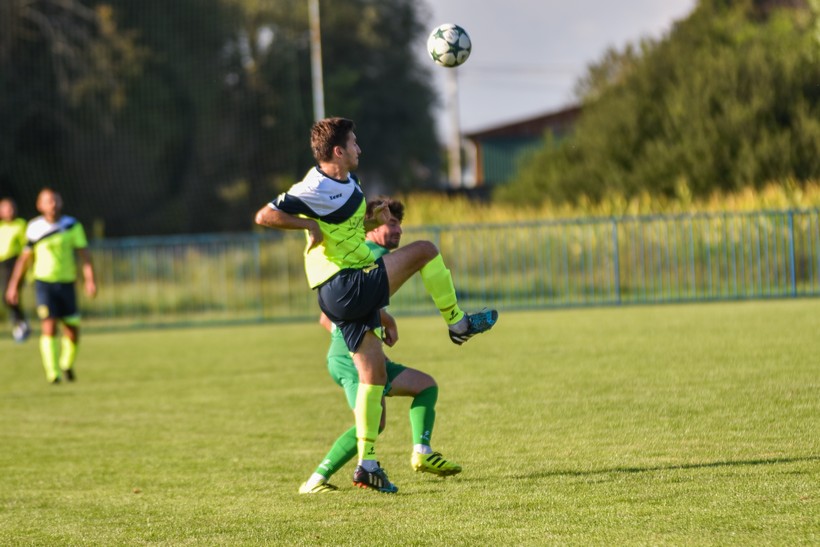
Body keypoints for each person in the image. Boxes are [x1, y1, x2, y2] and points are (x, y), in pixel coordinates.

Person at [255, 117, 497, 494]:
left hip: (343, 291)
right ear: (337, 151)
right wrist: (307, 226)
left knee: (374, 377)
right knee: (426, 251)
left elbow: (345, 225)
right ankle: (457, 323)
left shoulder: (347, 183)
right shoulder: (315, 185)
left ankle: (367, 465)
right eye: (353, 143)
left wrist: (371, 216)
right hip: (343, 284)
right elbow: (265, 215)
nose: (359, 148)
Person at [299, 197, 462, 494]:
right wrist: (364, 331)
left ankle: (422, 451)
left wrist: (381, 320)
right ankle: (316, 480)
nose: (397, 229)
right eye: (391, 221)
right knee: (375, 424)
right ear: (371, 227)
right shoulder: (367, 254)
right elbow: (327, 316)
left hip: (367, 353)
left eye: (399, 223)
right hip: (349, 355)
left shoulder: (375, 256)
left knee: (425, 386)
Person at [5, 189, 97, 384]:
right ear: (40, 206)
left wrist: (90, 280)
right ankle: (53, 373)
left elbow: (85, 255)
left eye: (55, 200)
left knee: (72, 328)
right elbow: (24, 259)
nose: (52, 204)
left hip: (67, 282)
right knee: (49, 325)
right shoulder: (34, 228)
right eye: (48, 201)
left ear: (60, 202)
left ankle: (66, 364)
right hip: (44, 282)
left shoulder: (72, 225)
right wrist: (13, 285)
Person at [0, 197, 30, 342]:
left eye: (12, 208)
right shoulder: (1, 227)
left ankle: (21, 324)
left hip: (15, 263)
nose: (10, 211)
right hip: (3, 264)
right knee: (7, 298)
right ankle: (20, 323)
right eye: (6, 208)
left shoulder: (21, 224)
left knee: (11, 296)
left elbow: (27, 247)